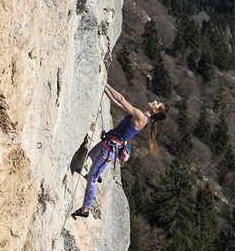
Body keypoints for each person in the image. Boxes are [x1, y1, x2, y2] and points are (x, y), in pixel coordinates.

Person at [72, 84, 169, 219]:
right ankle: (98, 173)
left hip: (109, 149)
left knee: (91, 179)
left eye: (157, 104)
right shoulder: (140, 116)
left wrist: (105, 84)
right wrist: (104, 88)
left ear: (155, 111)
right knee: (91, 154)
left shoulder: (141, 117)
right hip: (107, 144)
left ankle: (85, 209)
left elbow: (122, 99)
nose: (154, 101)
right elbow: (118, 104)